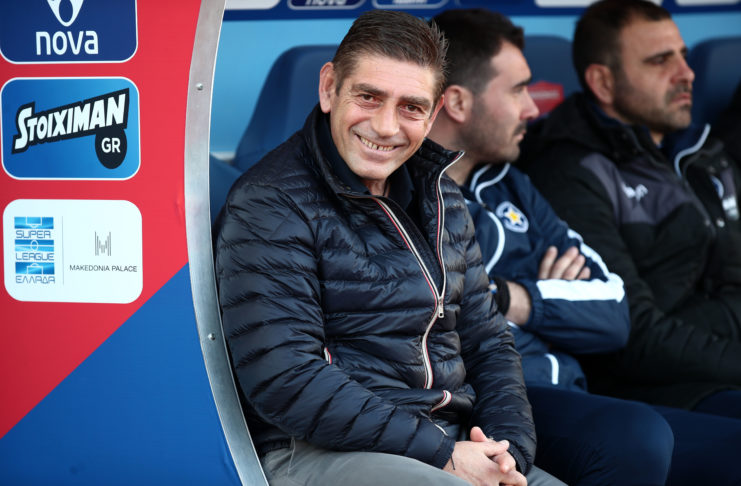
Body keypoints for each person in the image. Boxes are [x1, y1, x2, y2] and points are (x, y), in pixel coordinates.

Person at [214, 9, 563, 486]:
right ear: (329, 88)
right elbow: (287, 378)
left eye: (411, 107)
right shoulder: (269, 202)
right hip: (321, 450)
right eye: (368, 97)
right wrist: (443, 454)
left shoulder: (443, 197)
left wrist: (508, 454)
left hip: (449, 441)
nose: (384, 126)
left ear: (433, 114)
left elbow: (488, 342)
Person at [428, 8, 674, 485]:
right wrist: (548, 301)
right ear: (457, 102)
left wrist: (513, 297)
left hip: (571, 389)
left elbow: (614, 311)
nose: (532, 109)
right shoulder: (405, 191)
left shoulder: (512, 183)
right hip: (492, 404)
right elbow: (440, 319)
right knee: (636, 435)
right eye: (517, 90)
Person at [521, 0, 741, 483]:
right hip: (650, 392)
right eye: (660, 61)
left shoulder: (700, 149)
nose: (686, 73)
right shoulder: (570, 171)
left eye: (683, 56)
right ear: (603, 82)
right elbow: (634, 335)